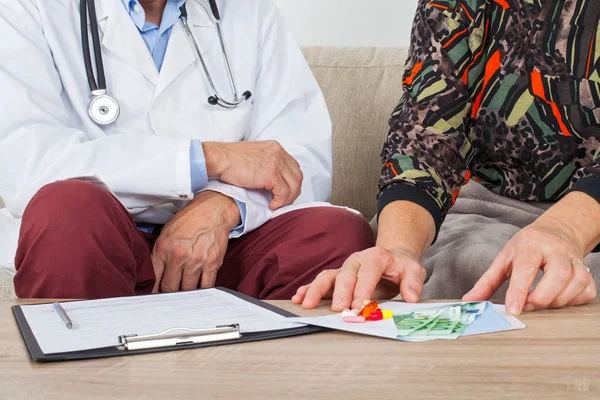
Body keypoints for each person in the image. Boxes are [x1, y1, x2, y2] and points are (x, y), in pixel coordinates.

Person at [0, 0, 374, 299]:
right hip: (94, 248)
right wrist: (208, 158)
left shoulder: (248, 9)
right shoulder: (26, 9)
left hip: (219, 252)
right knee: (67, 210)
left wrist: (223, 204)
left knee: (339, 236)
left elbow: (298, 156)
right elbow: (28, 164)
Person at [294, 0, 599, 315]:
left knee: (545, 289)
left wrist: (565, 229)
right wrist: (398, 250)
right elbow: (426, 133)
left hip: (588, 213)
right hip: (489, 206)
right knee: (454, 270)